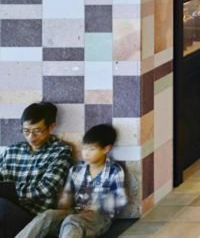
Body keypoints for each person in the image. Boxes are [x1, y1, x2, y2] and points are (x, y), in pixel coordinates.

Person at [15, 123, 124, 238]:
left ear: (106, 149)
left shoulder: (114, 171)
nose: (85, 153)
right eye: (84, 148)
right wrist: (63, 203)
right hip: (75, 211)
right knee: (48, 215)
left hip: (98, 217)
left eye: (91, 149)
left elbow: (119, 202)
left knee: (73, 221)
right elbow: (67, 195)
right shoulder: (76, 170)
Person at [0, 102, 73, 237]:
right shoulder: (12, 150)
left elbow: (46, 189)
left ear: (51, 127)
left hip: (32, 219)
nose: (31, 137)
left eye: (37, 131)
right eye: (26, 131)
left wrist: (14, 190)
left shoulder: (61, 152)